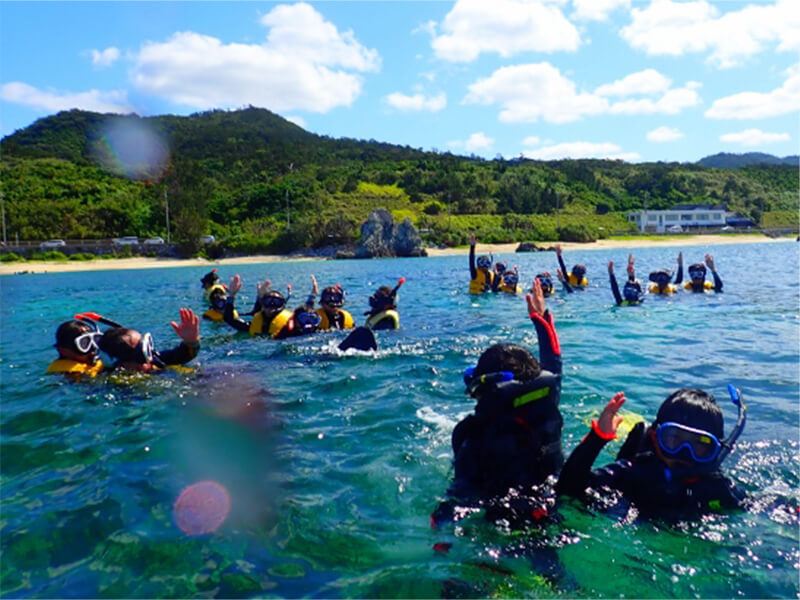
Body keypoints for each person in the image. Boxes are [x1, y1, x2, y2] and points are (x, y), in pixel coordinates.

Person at [432, 278, 563, 527]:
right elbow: (554, 364)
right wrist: (541, 318)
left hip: (496, 521)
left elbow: (458, 498)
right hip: (549, 505)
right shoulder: (547, 409)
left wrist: (440, 538)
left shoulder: (472, 436)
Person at [556, 386, 746, 518]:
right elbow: (567, 489)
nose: (684, 453)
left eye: (700, 445)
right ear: (655, 437)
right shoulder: (633, 472)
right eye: (674, 439)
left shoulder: (719, 488)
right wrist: (597, 439)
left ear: (715, 450)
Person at [98, 308, 200, 372]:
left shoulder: (152, 359)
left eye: (147, 346)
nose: (150, 357)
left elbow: (181, 356)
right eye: (142, 352)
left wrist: (191, 341)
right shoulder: (116, 388)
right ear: (122, 365)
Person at [222, 275, 293, 338]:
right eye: (268, 301)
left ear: (283, 305)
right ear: (263, 304)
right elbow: (229, 319)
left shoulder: (292, 325)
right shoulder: (252, 326)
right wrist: (231, 295)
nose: (272, 304)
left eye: (277, 302)